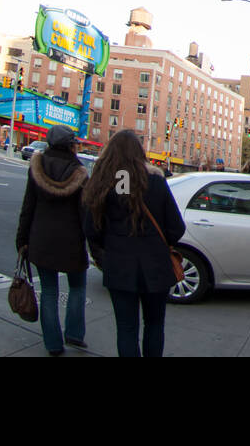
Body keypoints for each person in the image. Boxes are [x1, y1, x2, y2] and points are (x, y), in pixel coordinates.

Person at [82, 130, 186, 357]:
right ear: (140, 152)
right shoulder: (157, 181)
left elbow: (91, 229)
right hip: (156, 266)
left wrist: (106, 253)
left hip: (119, 265)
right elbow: (177, 228)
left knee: (126, 329)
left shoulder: (104, 183)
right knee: (155, 325)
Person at [16, 126, 89, 356]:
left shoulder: (37, 168)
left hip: (41, 240)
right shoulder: (79, 172)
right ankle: (74, 334)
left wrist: (22, 240)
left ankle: (53, 344)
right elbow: (85, 214)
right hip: (72, 244)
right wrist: (95, 244)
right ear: (71, 145)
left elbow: (28, 207)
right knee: (77, 287)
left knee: (48, 291)